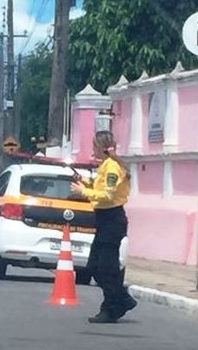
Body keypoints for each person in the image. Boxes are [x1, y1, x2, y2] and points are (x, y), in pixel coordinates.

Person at [70, 130, 138, 323]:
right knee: (96, 267)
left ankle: (115, 304)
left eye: (94, 147)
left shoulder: (112, 168)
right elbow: (100, 187)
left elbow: (108, 195)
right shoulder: (105, 167)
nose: (93, 151)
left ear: (100, 147)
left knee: (105, 268)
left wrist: (84, 192)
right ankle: (118, 302)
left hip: (112, 220)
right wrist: (84, 182)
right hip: (104, 220)